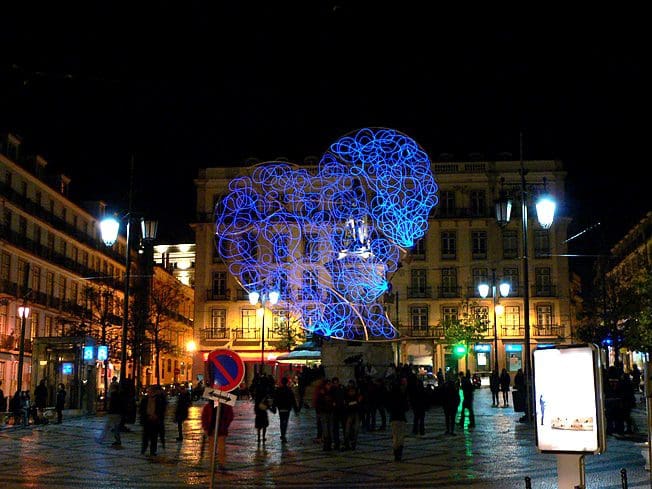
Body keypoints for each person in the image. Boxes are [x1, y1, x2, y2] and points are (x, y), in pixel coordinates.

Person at [201, 400, 235, 471]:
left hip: (221, 430)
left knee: (220, 448)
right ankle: (214, 464)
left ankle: (220, 463)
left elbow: (230, 416)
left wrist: (225, 425)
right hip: (212, 430)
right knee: (213, 449)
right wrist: (206, 427)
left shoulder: (226, 406)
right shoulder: (210, 406)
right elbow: (204, 417)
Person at [388, 377, 409, 462]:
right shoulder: (402, 395)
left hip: (393, 417)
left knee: (395, 436)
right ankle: (398, 453)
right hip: (401, 417)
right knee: (400, 436)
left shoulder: (391, 394)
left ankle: (396, 453)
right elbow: (406, 407)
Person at [273, 376, 299, 443]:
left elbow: (275, 399)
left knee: (282, 421)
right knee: (285, 421)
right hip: (287, 408)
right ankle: (284, 434)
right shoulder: (289, 390)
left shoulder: (278, 390)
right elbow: (293, 400)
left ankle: (282, 434)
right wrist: (296, 409)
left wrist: (274, 407)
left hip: (281, 408)